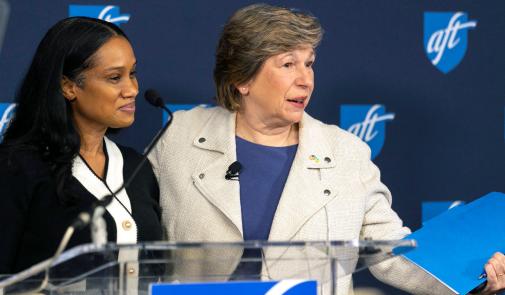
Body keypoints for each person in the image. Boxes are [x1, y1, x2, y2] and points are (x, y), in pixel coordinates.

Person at [148, 4, 505, 295]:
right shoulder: (180, 136)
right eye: (288, 64)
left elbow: (392, 253)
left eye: (309, 63)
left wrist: (472, 279)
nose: (305, 79)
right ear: (242, 78)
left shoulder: (345, 152)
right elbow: (134, 238)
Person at [0, 17, 162, 275]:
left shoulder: (137, 167)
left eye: (132, 74)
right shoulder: (18, 166)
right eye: (114, 77)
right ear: (68, 87)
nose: (131, 89)